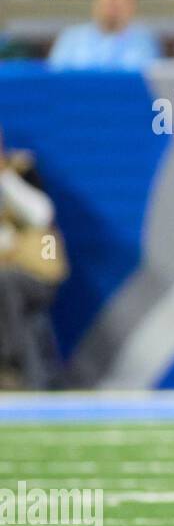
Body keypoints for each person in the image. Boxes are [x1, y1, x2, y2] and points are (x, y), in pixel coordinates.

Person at [0, 126, 68, 391]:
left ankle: (10, 362)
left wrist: (5, 176)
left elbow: (41, 215)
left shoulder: (22, 169)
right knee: (21, 311)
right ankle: (35, 378)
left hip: (35, 274)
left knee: (6, 283)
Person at [47, 0, 161, 69]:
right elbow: (55, 78)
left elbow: (150, 82)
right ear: (95, 3)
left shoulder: (144, 40)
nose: (112, 2)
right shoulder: (71, 37)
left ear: (132, 6)